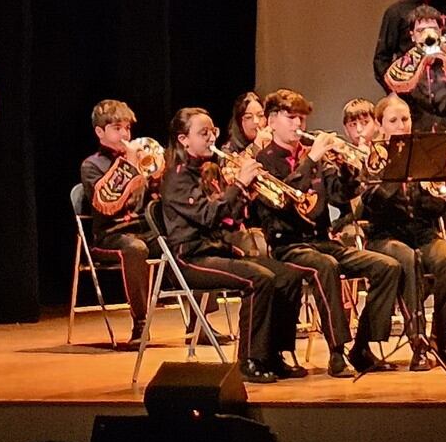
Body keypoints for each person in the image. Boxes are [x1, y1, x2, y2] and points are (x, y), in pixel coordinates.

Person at [254, 88, 401, 376]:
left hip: (322, 241)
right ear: (272, 121)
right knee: (326, 266)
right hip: (288, 245)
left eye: (302, 119)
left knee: (387, 267)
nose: (298, 125)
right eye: (291, 118)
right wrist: (310, 161)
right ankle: (336, 353)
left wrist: (348, 170)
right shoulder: (264, 160)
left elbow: (338, 197)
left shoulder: (319, 159)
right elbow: (283, 201)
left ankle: (362, 346)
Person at [157, 107, 307, 382]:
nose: (211, 138)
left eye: (212, 131)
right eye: (203, 133)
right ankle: (249, 360)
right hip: (191, 257)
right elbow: (208, 216)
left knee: (288, 275)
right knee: (258, 280)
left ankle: (274, 354)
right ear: (183, 140)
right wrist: (238, 184)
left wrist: (246, 194)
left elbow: (227, 219)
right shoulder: (177, 177)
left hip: (218, 250)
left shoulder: (207, 171)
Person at [359, 95, 446, 367]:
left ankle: (439, 339)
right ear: (380, 125)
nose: (401, 125)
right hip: (385, 236)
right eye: (393, 120)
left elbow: (438, 208)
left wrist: (435, 192)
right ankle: (417, 343)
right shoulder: (373, 158)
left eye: (405, 119)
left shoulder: (423, 153)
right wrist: (396, 178)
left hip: (423, 233)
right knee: (409, 258)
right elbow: (369, 205)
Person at [78, 99, 167, 349]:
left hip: (143, 229)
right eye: (117, 128)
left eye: (127, 128)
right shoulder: (91, 165)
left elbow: (158, 197)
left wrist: (157, 176)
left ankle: (198, 322)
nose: (125, 134)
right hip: (111, 234)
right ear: (100, 132)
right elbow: (105, 201)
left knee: (184, 238)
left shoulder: (139, 159)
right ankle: (141, 323)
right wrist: (128, 167)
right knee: (135, 249)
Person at [382, 7, 446, 131]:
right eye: (420, 31)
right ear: (412, 36)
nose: (427, 35)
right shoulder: (404, 67)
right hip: (418, 137)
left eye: (433, 29)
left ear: (440, 31)